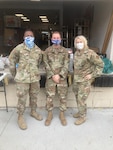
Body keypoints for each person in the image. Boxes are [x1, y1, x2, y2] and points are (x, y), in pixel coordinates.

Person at [9, 29, 43, 130]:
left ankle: (33, 111)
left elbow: (39, 62)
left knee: (34, 97)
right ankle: (20, 117)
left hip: (34, 78)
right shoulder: (18, 48)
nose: (29, 37)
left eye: (31, 35)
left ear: (34, 37)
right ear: (23, 37)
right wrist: (15, 74)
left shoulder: (37, 50)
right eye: (27, 36)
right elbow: (11, 60)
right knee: (22, 99)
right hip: (22, 79)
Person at [73, 35, 104, 125]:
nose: (79, 44)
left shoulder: (90, 53)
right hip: (76, 80)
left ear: (84, 42)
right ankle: (80, 111)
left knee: (81, 99)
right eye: (77, 42)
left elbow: (100, 64)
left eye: (80, 42)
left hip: (84, 81)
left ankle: (82, 117)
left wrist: (92, 75)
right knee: (77, 98)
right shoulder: (76, 53)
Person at [43, 31, 69, 126]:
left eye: (58, 38)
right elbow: (45, 64)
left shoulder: (65, 51)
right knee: (49, 97)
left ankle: (62, 114)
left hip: (62, 78)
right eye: (54, 38)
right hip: (50, 78)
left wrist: (60, 75)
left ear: (61, 39)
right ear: (51, 39)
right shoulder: (47, 51)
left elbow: (66, 64)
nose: (56, 39)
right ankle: (50, 115)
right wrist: (52, 75)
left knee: (63, 97)